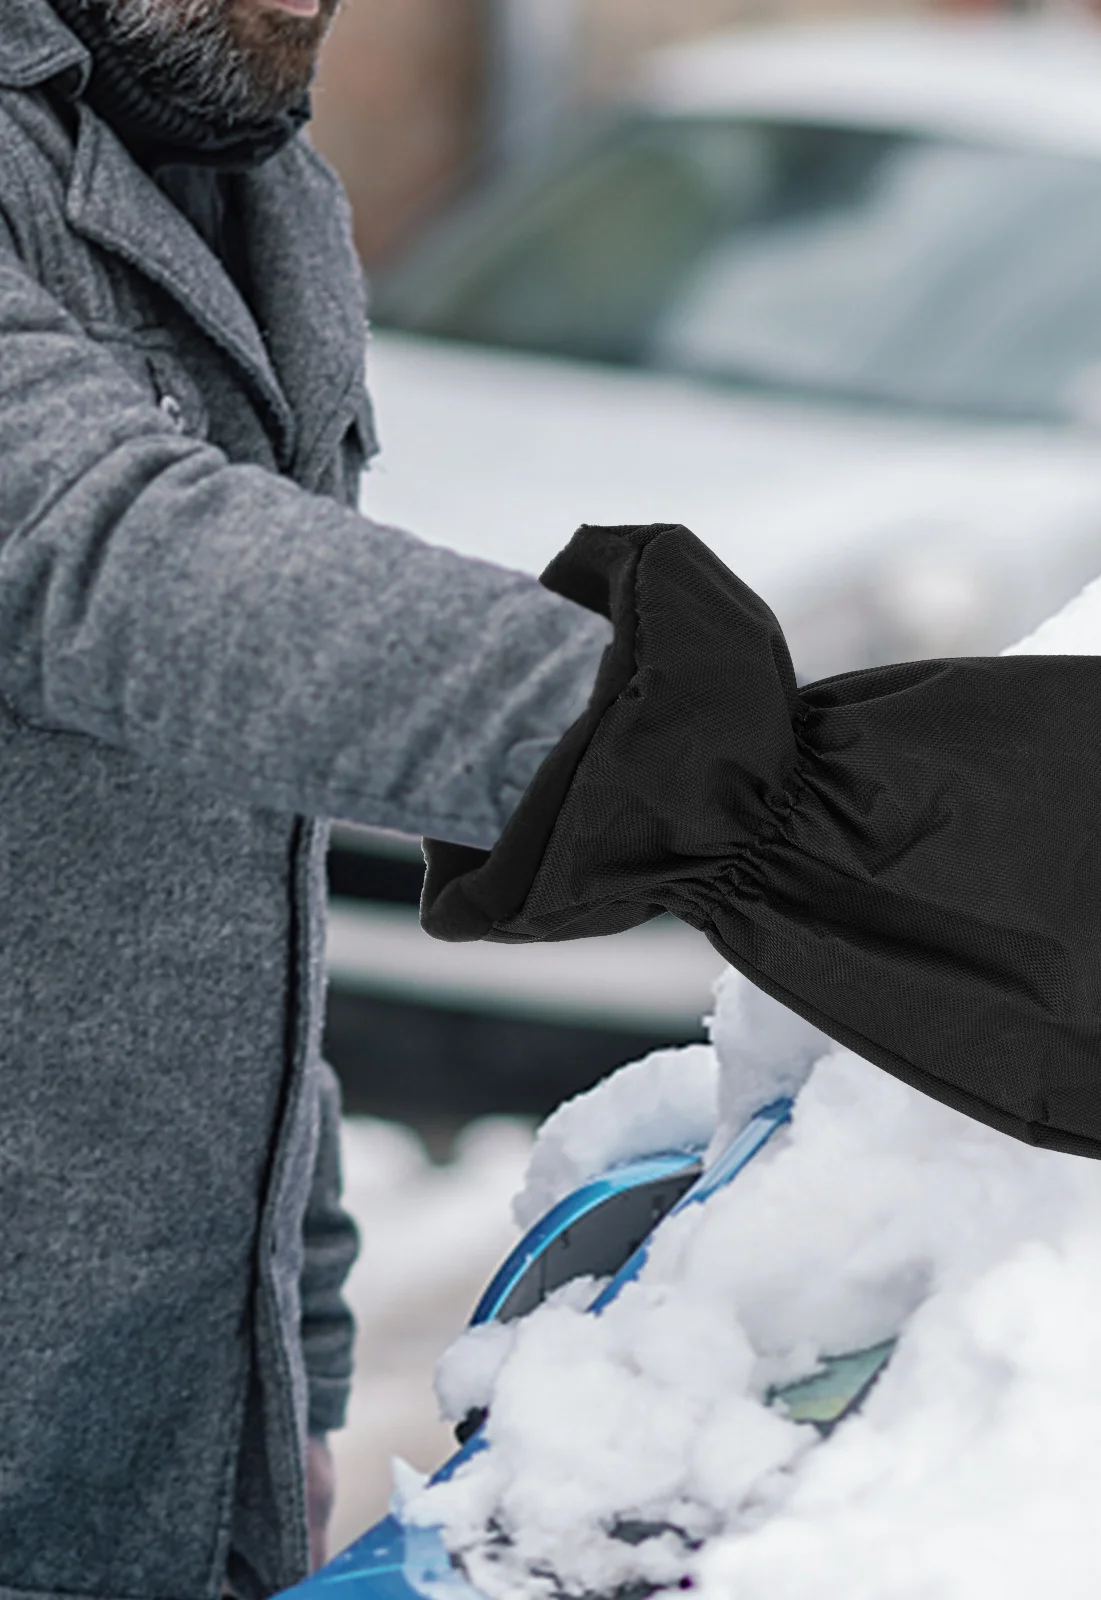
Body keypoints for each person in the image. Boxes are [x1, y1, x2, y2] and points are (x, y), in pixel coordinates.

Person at [0, 1, 610, 1595]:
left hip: (157, 1447)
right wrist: (665, 737)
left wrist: (301, 1355)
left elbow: (225, 869)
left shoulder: (260, 183)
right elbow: (103, 544)